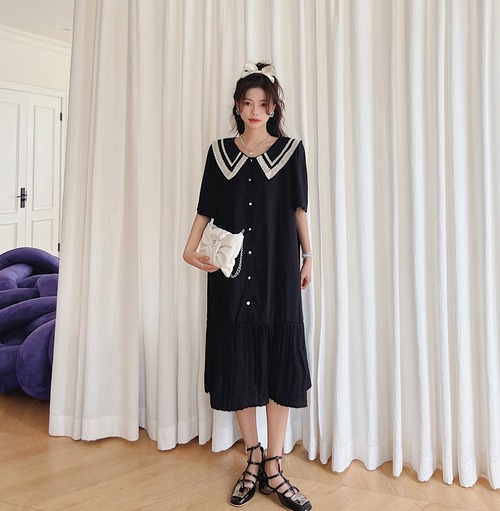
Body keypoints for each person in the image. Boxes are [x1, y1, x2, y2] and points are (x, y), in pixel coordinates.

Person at [183, 61, 313, 511]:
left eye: (263, 103)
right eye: (247, 103)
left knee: (279, 360)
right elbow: (205, 208)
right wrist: (188, 249)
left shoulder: (291, 152)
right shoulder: (220, 153)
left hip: (278, 272)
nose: (255, 110)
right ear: (238, 107)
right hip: (232, 274)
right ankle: (253, 457)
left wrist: (309, 256)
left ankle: (274, 465)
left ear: (273, 107)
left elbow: (299, 209)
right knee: (239, 359)